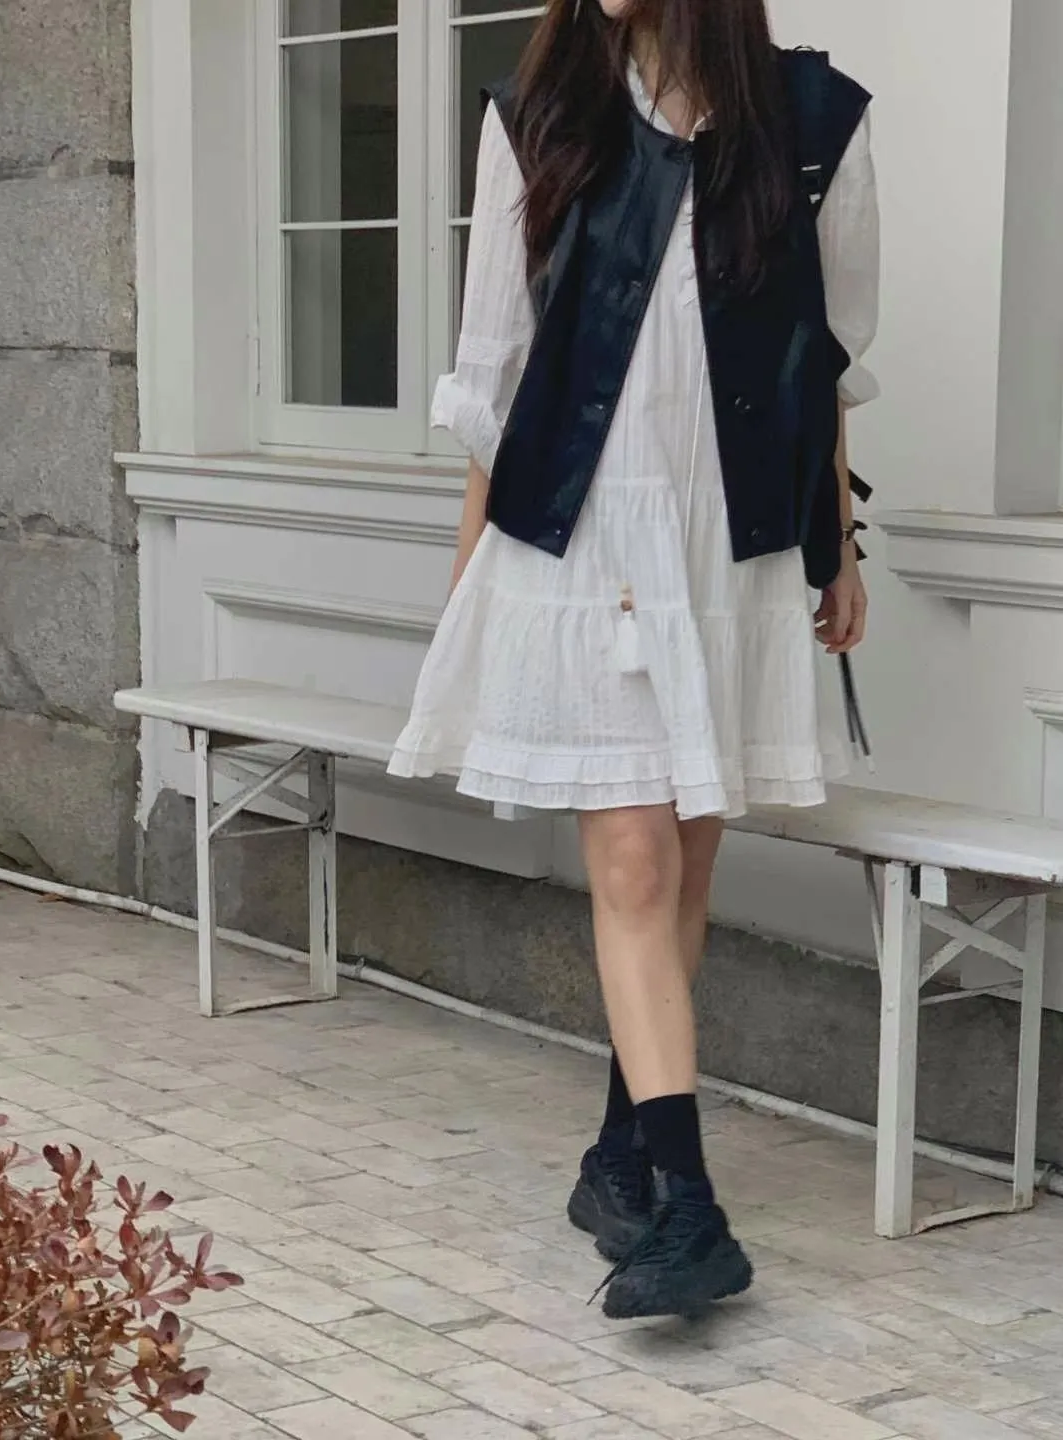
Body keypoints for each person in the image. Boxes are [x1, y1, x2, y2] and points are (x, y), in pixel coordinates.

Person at [389, 0, 879, 1321]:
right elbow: (493, 379)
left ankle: (620, 1157)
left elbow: (823, 362)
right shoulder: (536, 115)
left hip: (733, 543)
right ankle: (692, 1207)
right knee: (633, 861)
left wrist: (838, 549)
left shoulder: (815, 119)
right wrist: (471, 585)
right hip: (584, 535)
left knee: (686, 864)